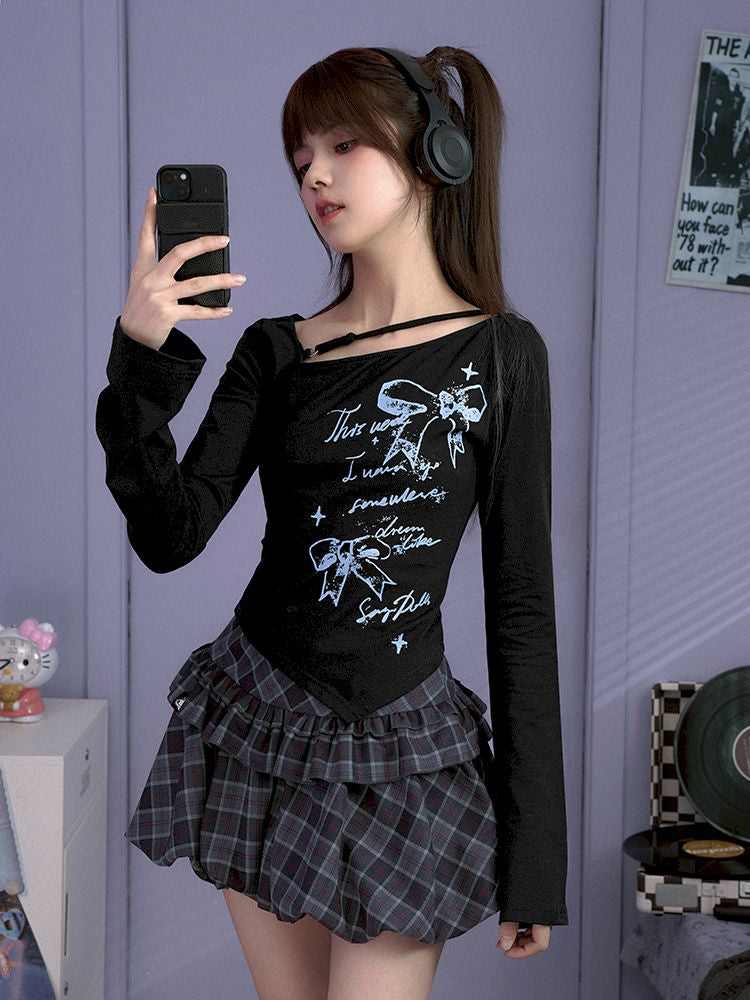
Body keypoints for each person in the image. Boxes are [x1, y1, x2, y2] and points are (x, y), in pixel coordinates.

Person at [95, 44, 568, 1000]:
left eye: (345, 144)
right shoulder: (278, 352)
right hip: (259, 725)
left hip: (404, 746)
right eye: (301, 155)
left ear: (433, 153)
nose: (314, 173)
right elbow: (170, 535)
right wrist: (141, 354)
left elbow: (521, 608)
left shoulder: (502, 356)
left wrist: (536, 864)